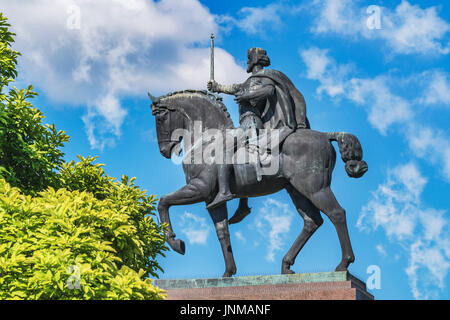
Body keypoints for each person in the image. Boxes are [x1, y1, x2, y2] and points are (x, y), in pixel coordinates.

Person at [206, 47, 310, 210]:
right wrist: (217, 87)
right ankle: (243, 205)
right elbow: (233, 88)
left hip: (252, 124)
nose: (246, 62)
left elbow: (268, 91)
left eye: (248, 58)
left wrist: (246, 96)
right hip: (245, 124)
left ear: (254, 60)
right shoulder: (248, 82)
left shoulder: (265, 77)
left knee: (223, 146)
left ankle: (225, 191)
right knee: (239, 156)